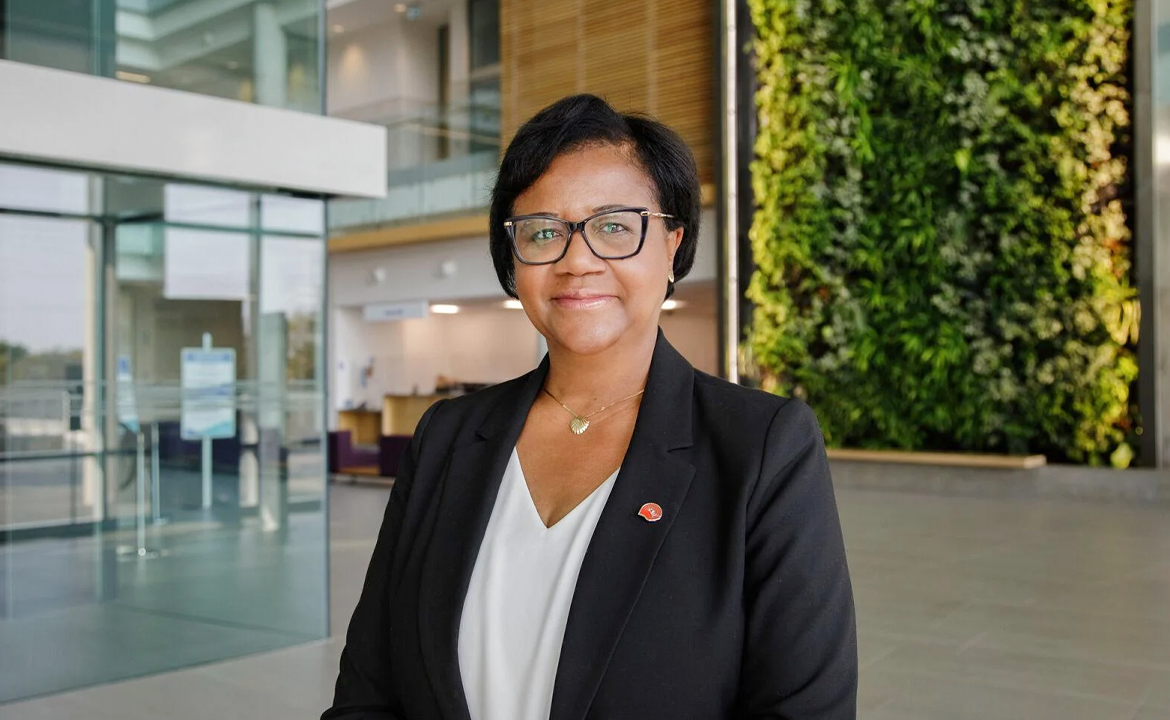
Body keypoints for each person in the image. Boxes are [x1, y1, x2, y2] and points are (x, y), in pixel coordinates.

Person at [323, 94, 857, 720]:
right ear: (512, 259)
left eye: (613, 226)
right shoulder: (446, 435)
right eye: (543, 231)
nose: (577, 260)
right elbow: (369, 685)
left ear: (672, 246)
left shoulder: (762, 447)